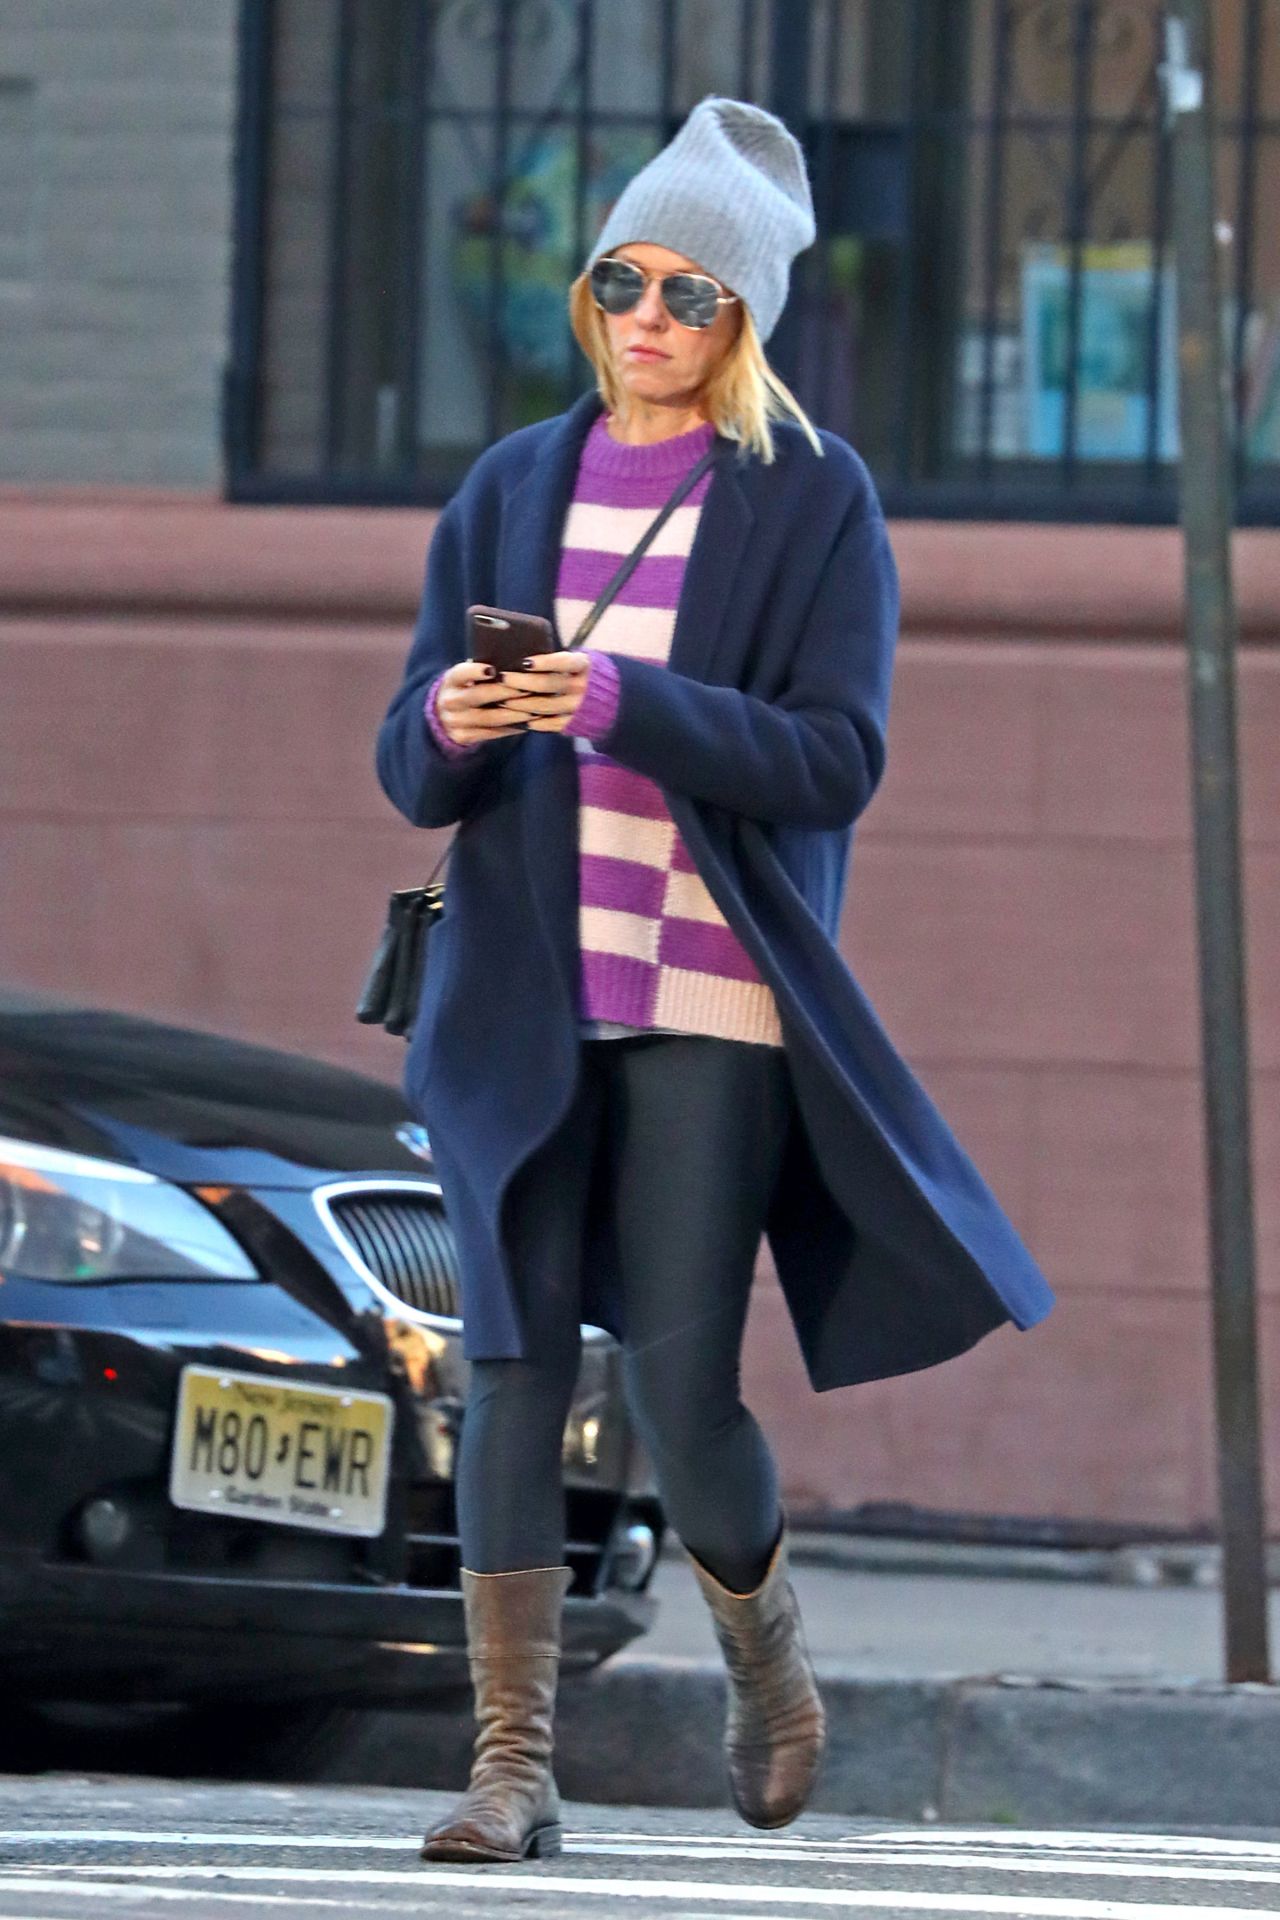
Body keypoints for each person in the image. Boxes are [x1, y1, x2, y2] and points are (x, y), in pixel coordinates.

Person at [375, 95, 1056, 1867]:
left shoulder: (812, 497)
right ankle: (510, 1766)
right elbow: (407, 764)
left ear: (744, 316)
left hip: (709, 999)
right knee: (513, 1369)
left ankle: (766, 1661)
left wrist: (624, 703)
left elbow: (836, 759)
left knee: (683, 1398)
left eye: (690, 293)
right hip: (522, 996)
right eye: (624, 281)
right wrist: (454, 717)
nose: (648, 319)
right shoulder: (509, 487)